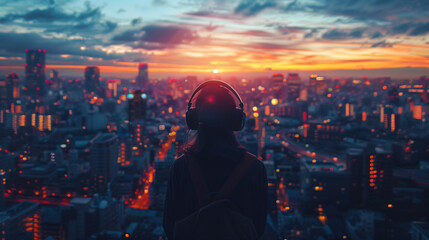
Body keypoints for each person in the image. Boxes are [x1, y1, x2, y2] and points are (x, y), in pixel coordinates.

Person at [163, 80, 267, 240]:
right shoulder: (255, 168)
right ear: (236, 120)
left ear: (193, 119)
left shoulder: (180, 167)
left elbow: (169, 226)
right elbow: (259, 227)